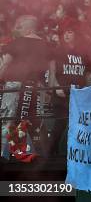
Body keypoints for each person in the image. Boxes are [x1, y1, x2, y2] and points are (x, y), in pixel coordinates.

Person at [0, 15, 53, 156]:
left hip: (16, 87)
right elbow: (51, 68)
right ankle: (32, 154)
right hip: (37, 88)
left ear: (29, 29)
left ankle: (6, 153)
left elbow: (5, 63)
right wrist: (48, 89)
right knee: (34, 121)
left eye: (20, 27)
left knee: (8, 119)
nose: (17, 29)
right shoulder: (47, 45)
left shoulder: (17, 42)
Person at [48, 21, 91, 154]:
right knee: (59, 127)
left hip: (78, 96)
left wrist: (87, 87)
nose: (66, 35)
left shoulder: (83, 53)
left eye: (69, 32)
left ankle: (75, 157)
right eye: (64, 32)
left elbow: (88, 72)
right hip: (61, 96)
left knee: (78, 128)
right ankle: (50, 158)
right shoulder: (57, 52)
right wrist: (57, 87)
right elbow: (52, 71)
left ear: (76, 34)